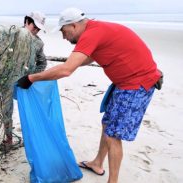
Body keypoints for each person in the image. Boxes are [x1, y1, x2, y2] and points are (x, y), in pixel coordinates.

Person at [17, 7, 162, 183]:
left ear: (74, 25)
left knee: (113, 135)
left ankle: (113, 181)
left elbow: (66, 70)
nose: (64, 37)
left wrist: (32, 78)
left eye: (64, 31)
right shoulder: (95, 29)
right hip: (125, 82)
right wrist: (71, 63)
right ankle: (97, 163)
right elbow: (88, 58)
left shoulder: (91, 34)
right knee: (107, 123)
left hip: (136, 84)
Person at [2, 11, 47, 149]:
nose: (36, 30)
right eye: (35, 27)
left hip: (25, 82)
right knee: (6, 110)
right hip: (7, 80)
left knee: (28, 109)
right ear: (27, 22)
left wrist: (31, 77)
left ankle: (32, 138)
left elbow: (42, 63)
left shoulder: (38, 43)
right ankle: (8, 139)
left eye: (39, 28)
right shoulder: (12, 35)